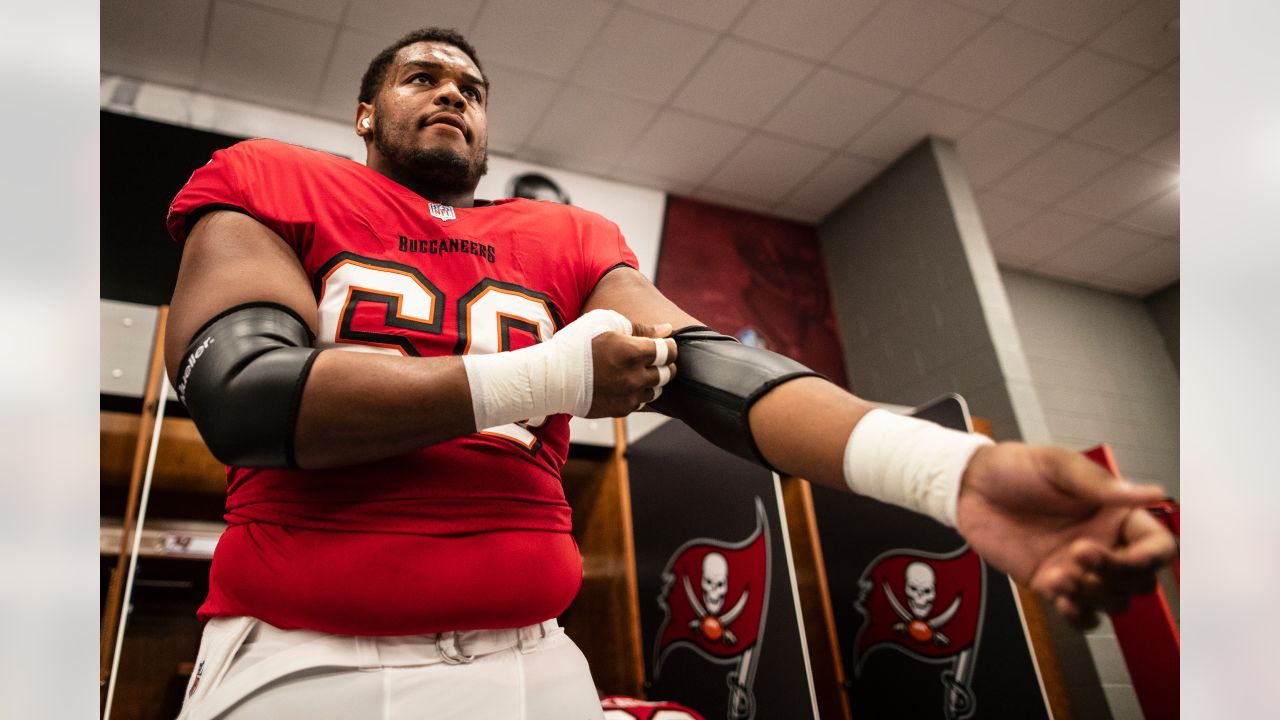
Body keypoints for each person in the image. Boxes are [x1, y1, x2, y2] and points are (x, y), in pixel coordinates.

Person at [164, 27, 1175, 720]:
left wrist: (945, 472)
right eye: (422, 78)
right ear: (362, 112)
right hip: (307, 659)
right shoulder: (273, 179)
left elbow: (712, 370)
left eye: (471, 90)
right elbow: (246, 396)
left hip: (528, 661)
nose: (450, 97)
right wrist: (544, 376)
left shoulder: (562, 234)